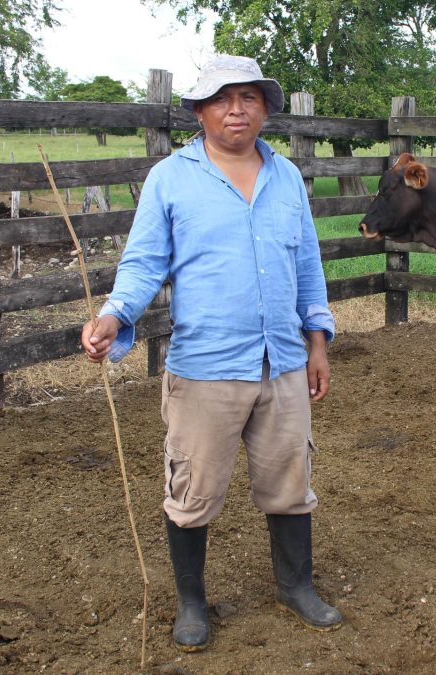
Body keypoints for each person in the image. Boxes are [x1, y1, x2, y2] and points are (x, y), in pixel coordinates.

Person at [80, 54, 342, 652]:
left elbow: (306, 266)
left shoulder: (287, 179)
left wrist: (317, 341)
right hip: (205, 367)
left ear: (266, 110)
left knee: (290, 479)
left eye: (249, 97)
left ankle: (295, 587)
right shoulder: (170, 179)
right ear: (200, 111)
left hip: (283, 361)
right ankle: (193, 603)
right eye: (222, 99)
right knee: (193, 491)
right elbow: (144, 263)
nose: (236, 109)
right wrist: (114, 315)